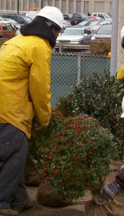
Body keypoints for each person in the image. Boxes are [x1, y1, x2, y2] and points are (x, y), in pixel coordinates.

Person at [0, 6, 64, 216]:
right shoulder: (39, 46)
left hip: (5, 106)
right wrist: (45, 119)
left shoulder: (16, 41)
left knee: (16, 153)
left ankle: (19, 200)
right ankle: (2, 204)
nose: (57, 36)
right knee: (15, 153)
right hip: (9, 110)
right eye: (59, 31)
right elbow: (40, 88)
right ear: (51, 29)